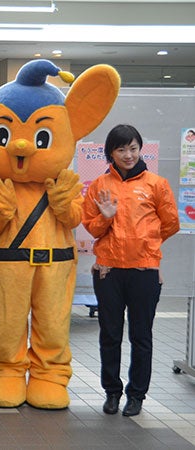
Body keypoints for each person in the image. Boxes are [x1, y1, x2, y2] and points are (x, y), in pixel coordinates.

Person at [82, 124, 179, 417]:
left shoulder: (156, 184)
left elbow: (171, 223)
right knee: (110, 333)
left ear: (140, 149)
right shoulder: (99, 185)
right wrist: (107, 218)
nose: (128, 154)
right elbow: (91, 226)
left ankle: (136, 394)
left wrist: (147, 247)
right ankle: (112, 391)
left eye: (133, 148)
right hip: (108, 271)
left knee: (141, 335)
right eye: (121, 149)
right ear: (111, 152)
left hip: (143, 270)